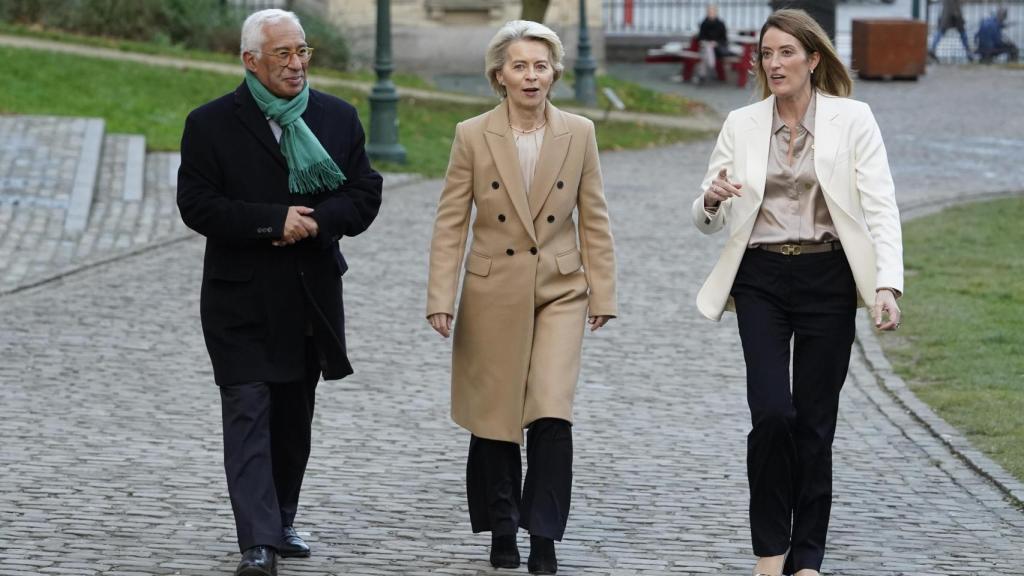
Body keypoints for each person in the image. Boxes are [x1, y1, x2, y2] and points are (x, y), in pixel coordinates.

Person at [691, 9, 903, 576]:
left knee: (814, 422)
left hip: (827, 278)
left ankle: (806, 557)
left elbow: (881, 206)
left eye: (787, 52)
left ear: (813, 59)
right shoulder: (741, 123)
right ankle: (770, 551)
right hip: (760, 278)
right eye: (767, 53)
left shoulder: (853, 119)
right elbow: (707, 213)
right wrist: (710, 199)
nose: (775, 63)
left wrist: (886, 283)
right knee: (771, 414)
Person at [177, 8, 382, 576]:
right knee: (247, 412)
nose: (296, 64)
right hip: (238, 300)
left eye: (302, 51)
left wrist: (314, 222)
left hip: (307, 296)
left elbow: (364, 194)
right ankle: (258, 542)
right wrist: (272, 221)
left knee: (292, 419)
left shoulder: (336, 117)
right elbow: (197, 205)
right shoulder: (211, 123)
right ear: (251, 61)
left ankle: (282, 518)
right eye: (283, 54)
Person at [426, 19, 617, 576]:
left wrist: (603, 292)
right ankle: (503, 524)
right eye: (520, 66)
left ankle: (544, 535)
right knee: (496, 413)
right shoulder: (471, 135)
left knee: (552, 412)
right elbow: (451, 221)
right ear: (499, 76)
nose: (531, 76)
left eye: (541, 66)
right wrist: (441, 295)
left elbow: (594, 217)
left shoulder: (579, 132)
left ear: (554, 74)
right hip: (492, 288)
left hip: (560, 288)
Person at [696, 4, 732, 83]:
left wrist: (715, 43)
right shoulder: (704, 23)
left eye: (712, 12)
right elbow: (701, 37)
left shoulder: (720, 24)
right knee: (707, 48)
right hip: (706, 46)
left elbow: (724, 39)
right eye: (709, 12)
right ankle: (710, 68)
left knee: (706, 51)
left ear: (716, 12)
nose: (711, 13)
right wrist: (707, 43)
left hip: (718, 48)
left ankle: (703, 74)